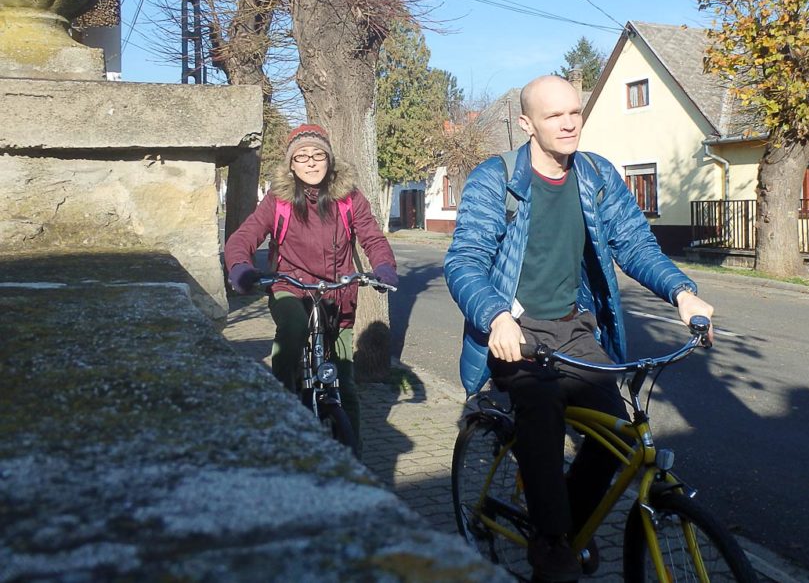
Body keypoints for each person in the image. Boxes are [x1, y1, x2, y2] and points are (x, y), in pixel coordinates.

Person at [443, 76, 714, 582]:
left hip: (573, 330)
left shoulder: (596, 175)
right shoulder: (494, 179)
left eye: (575, 112)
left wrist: (682, 292)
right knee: (541, 414)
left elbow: (634, 243)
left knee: (617, 436)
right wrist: (495, 316)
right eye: (554, 116)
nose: (569, 123)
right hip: (517, 332)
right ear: (527, 124)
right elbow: (464, 262)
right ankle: (549, 547)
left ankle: (563, 523)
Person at [224, 123, 398, 458]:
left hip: (338, 292)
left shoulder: (350, 198)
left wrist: (384, 267)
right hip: (290, 285)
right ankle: (283, 399)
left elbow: (372, 238)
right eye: (302, 157)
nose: (311, 163)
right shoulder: (279, 200)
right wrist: (241, 267)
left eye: (318, 155)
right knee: (292, 327)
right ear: (291, 164)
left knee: (344, 384)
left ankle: (354, 459)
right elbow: (244, 237)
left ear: (329, 160)